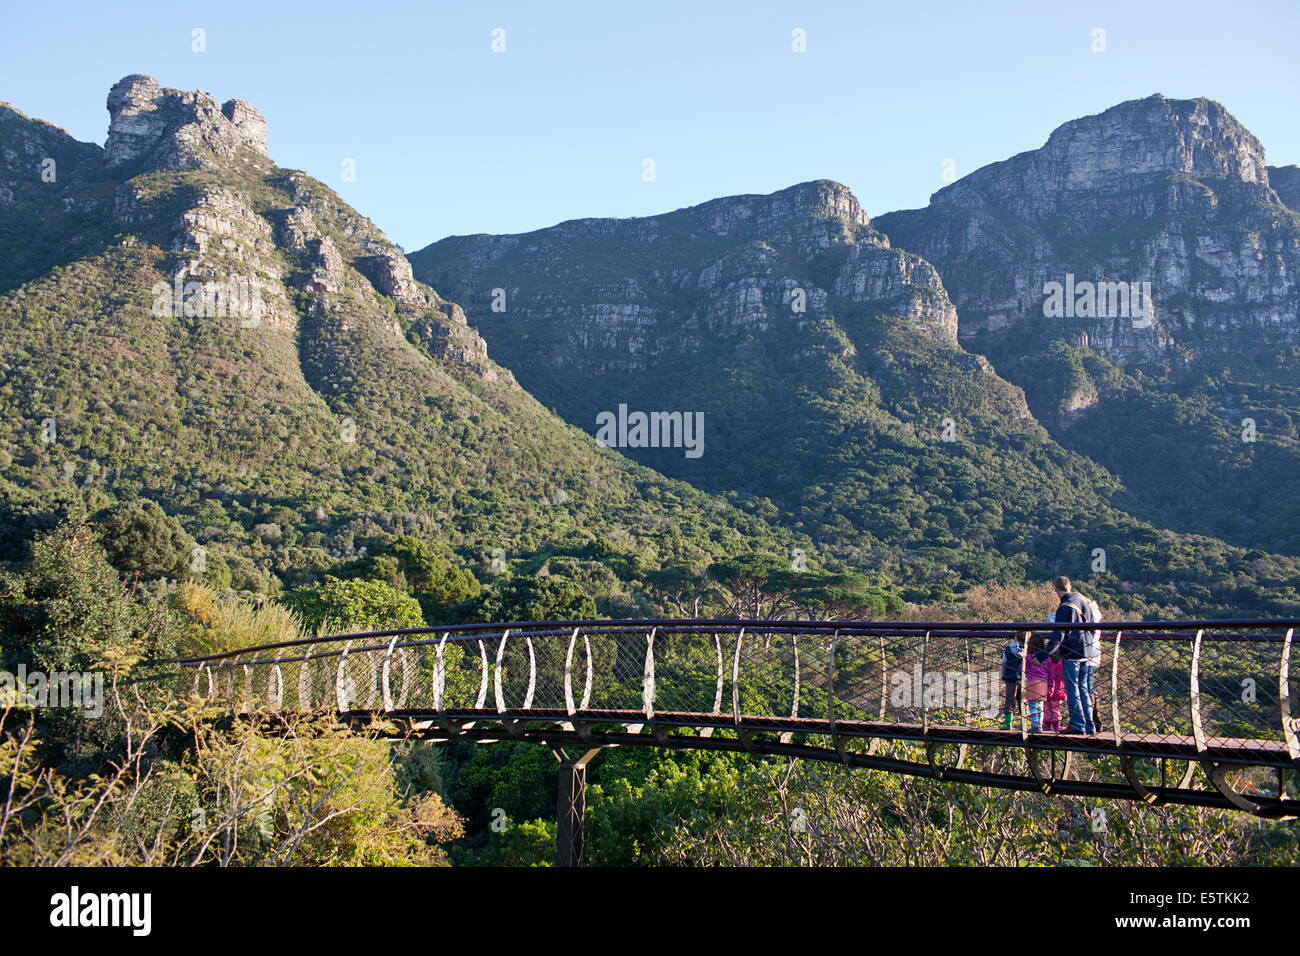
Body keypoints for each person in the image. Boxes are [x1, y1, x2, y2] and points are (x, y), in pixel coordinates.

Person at [1042, 576, 1096, 734]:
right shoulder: (1083, 601)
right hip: (1088, 650)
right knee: (1083, 688)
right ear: (1070, 587)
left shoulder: (1064, 607)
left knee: (1072, 688)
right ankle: (1089, 726)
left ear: (1056, 589)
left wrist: (1044, 654)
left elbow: (1058, 636)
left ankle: (1078, 725)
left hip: (1072, 651)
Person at [999, 635, 1024, 730]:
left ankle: (1008, 724)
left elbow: (1004, 662)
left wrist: (1003, 675)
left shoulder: (1009, 648)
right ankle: (1024, 724)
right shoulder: (1029, 649)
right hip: (1024, 678)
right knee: (1023, 701)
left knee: (1010, 700)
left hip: (1010, 677)